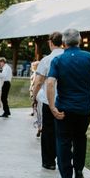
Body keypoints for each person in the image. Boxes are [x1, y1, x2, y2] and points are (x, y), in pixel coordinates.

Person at [46, 28, 90, 178]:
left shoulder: (58, 60)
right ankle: (79, 170)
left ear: (64, 42)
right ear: (79, 40)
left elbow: (51, 83)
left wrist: (52, 106)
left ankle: (66, 177)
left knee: (63, 140)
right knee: (80, 137)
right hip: (83, 108)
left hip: (64, 108)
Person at [32, 32, 64, 170]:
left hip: (47, 100)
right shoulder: (67, 57)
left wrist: (34, 96)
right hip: (64, 100)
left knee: (48, 131)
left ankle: (49, 161)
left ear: (51, 42)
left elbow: (38, 82)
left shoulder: (46, 60)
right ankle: (62, 159)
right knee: (63, 132)